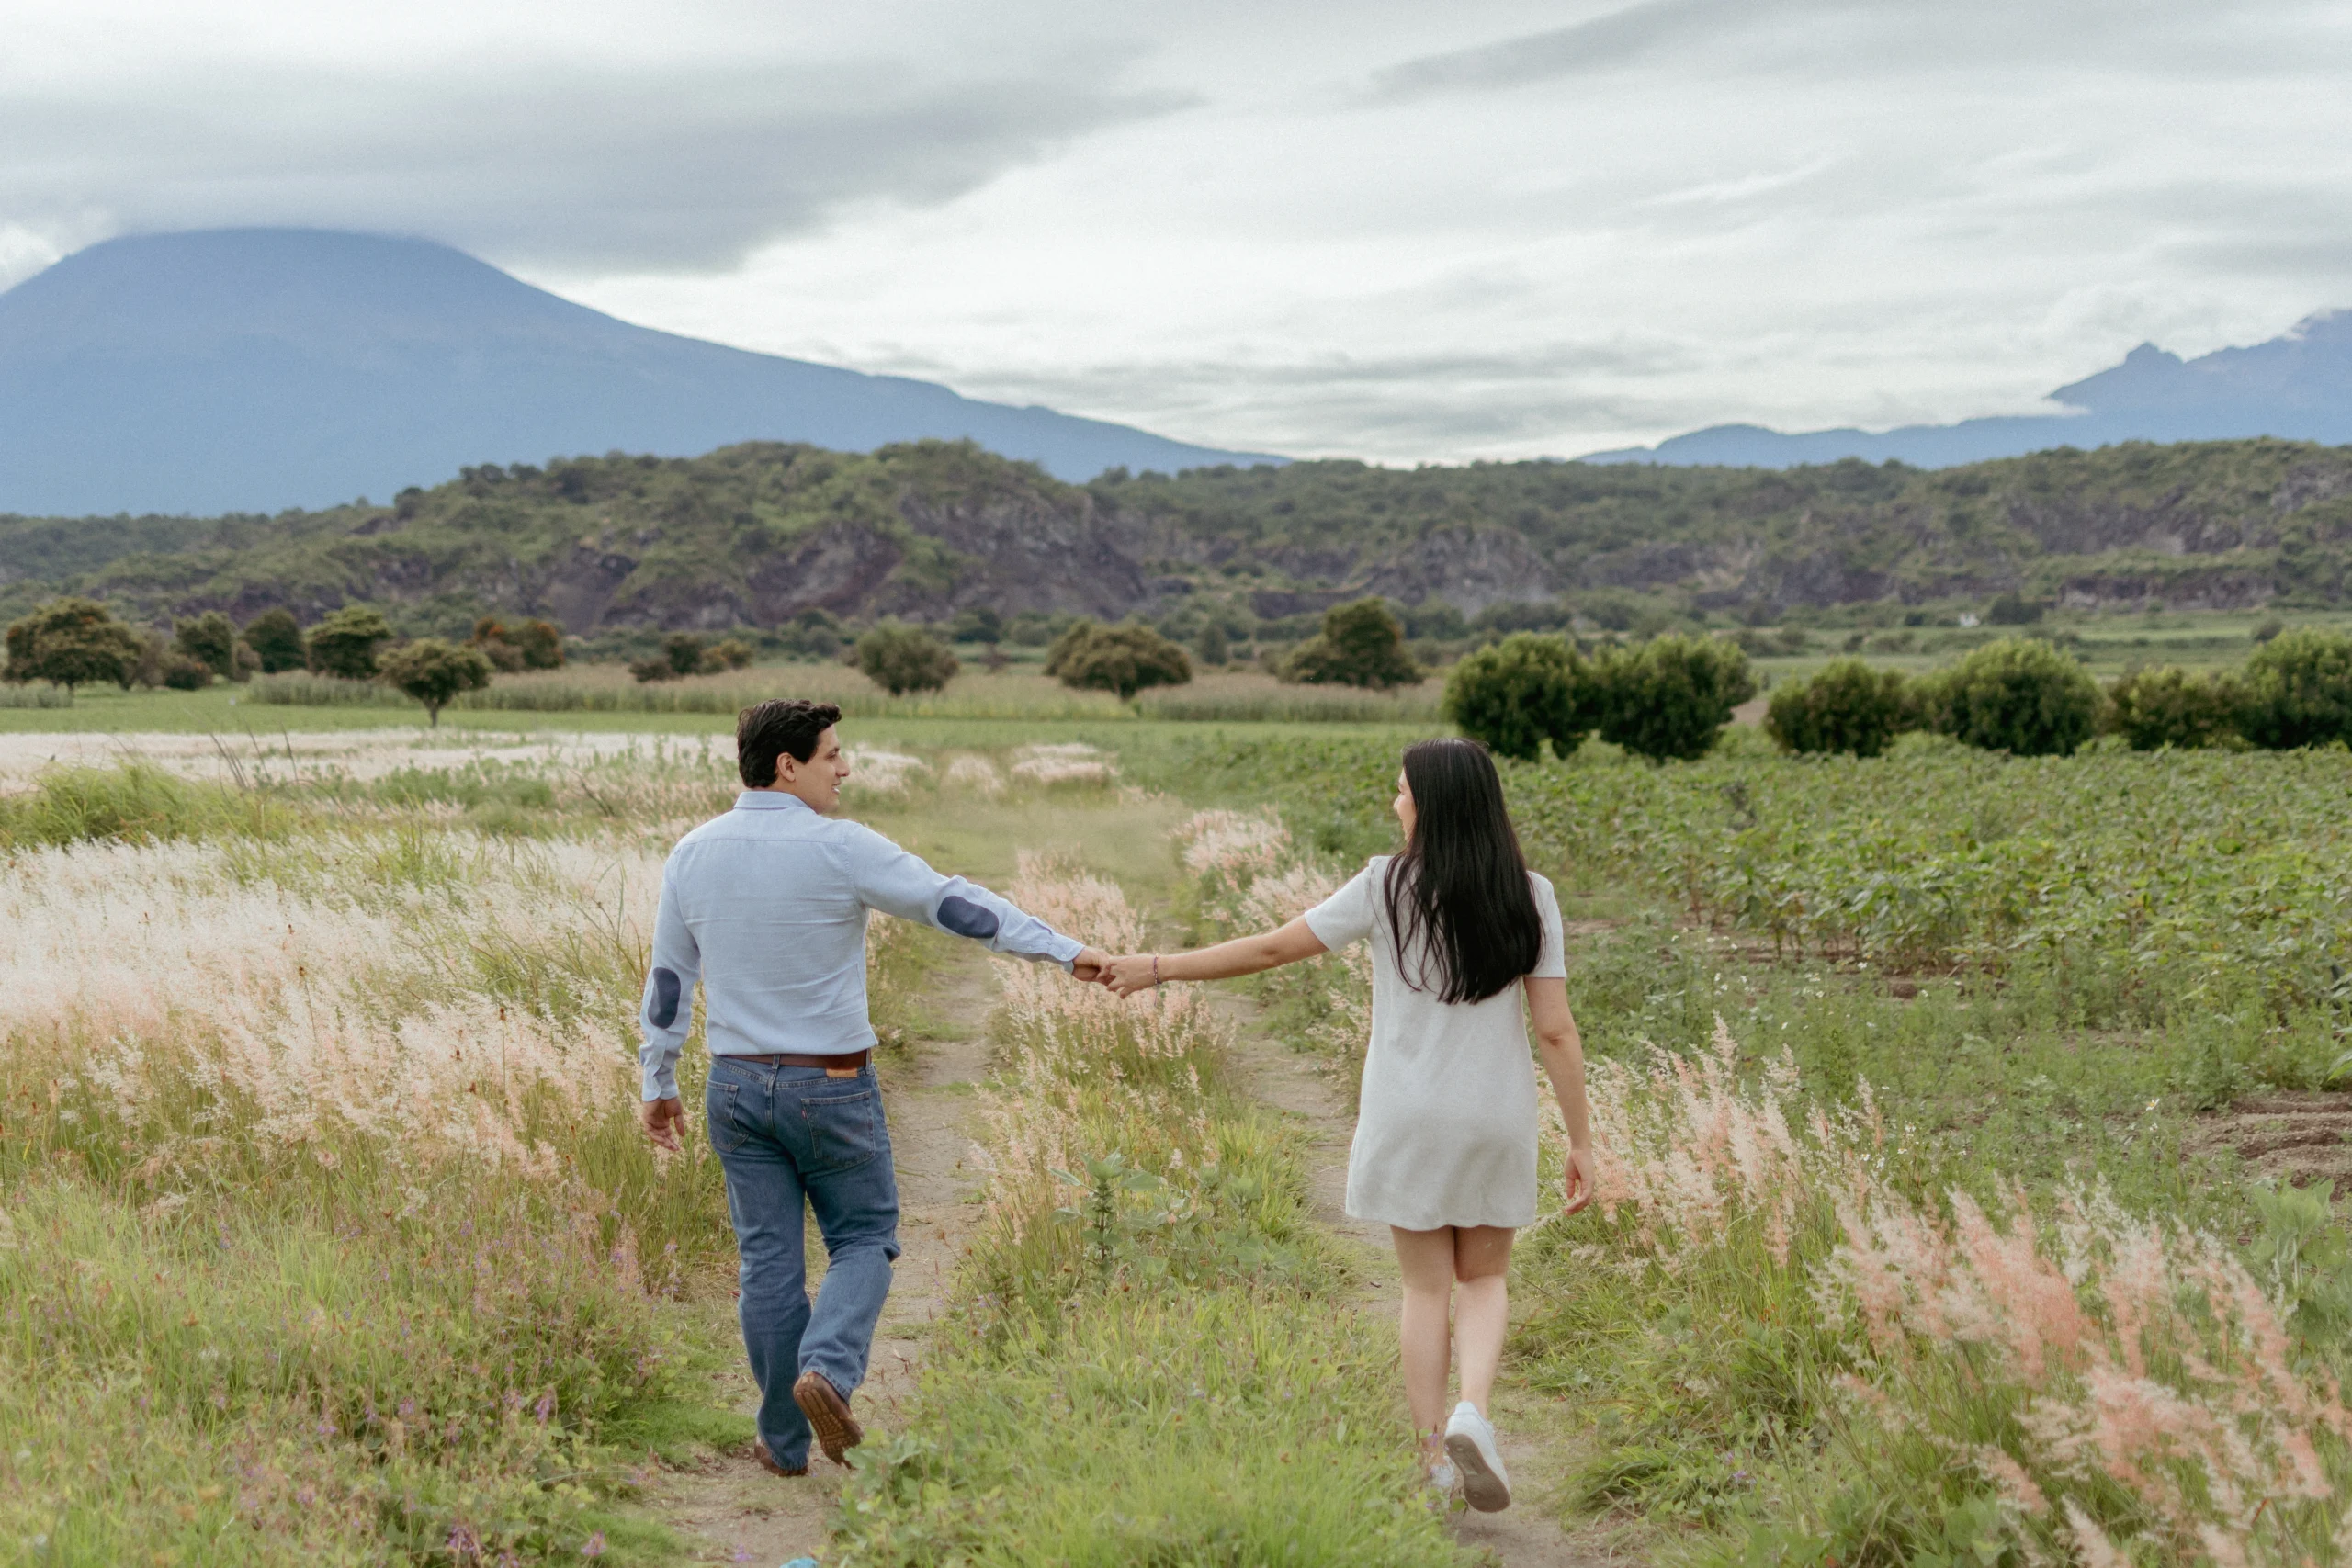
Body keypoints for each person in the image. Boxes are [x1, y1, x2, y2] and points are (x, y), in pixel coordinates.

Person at [1101, 737, 1594, 1512]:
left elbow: (1271, 949)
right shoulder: (1531, 894)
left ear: (1429, 805)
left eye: (1402, 791)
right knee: (1485, 1277)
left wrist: (1157, 966)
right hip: (1493, 1116)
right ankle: (1473, 1412)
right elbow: (1556, 1030)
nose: (1395, 802)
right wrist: (1582, 1139)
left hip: (1407, 1114)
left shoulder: (1384, 885)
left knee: (1424, 1288)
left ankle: (1432, 1459)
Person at [639, 698, 1108, 1476]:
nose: (845, 768)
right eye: (832, 754)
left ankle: (783, 1443)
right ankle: (827, 1368)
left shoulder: (691, 852)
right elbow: (953, 904)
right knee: (862, 1238)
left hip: (735, 1087)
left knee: (767, 1264)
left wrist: (657, 1078)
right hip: (830, 1085)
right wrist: (1064, 950)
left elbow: (667, 982)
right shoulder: (841, 846)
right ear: (787, 765)